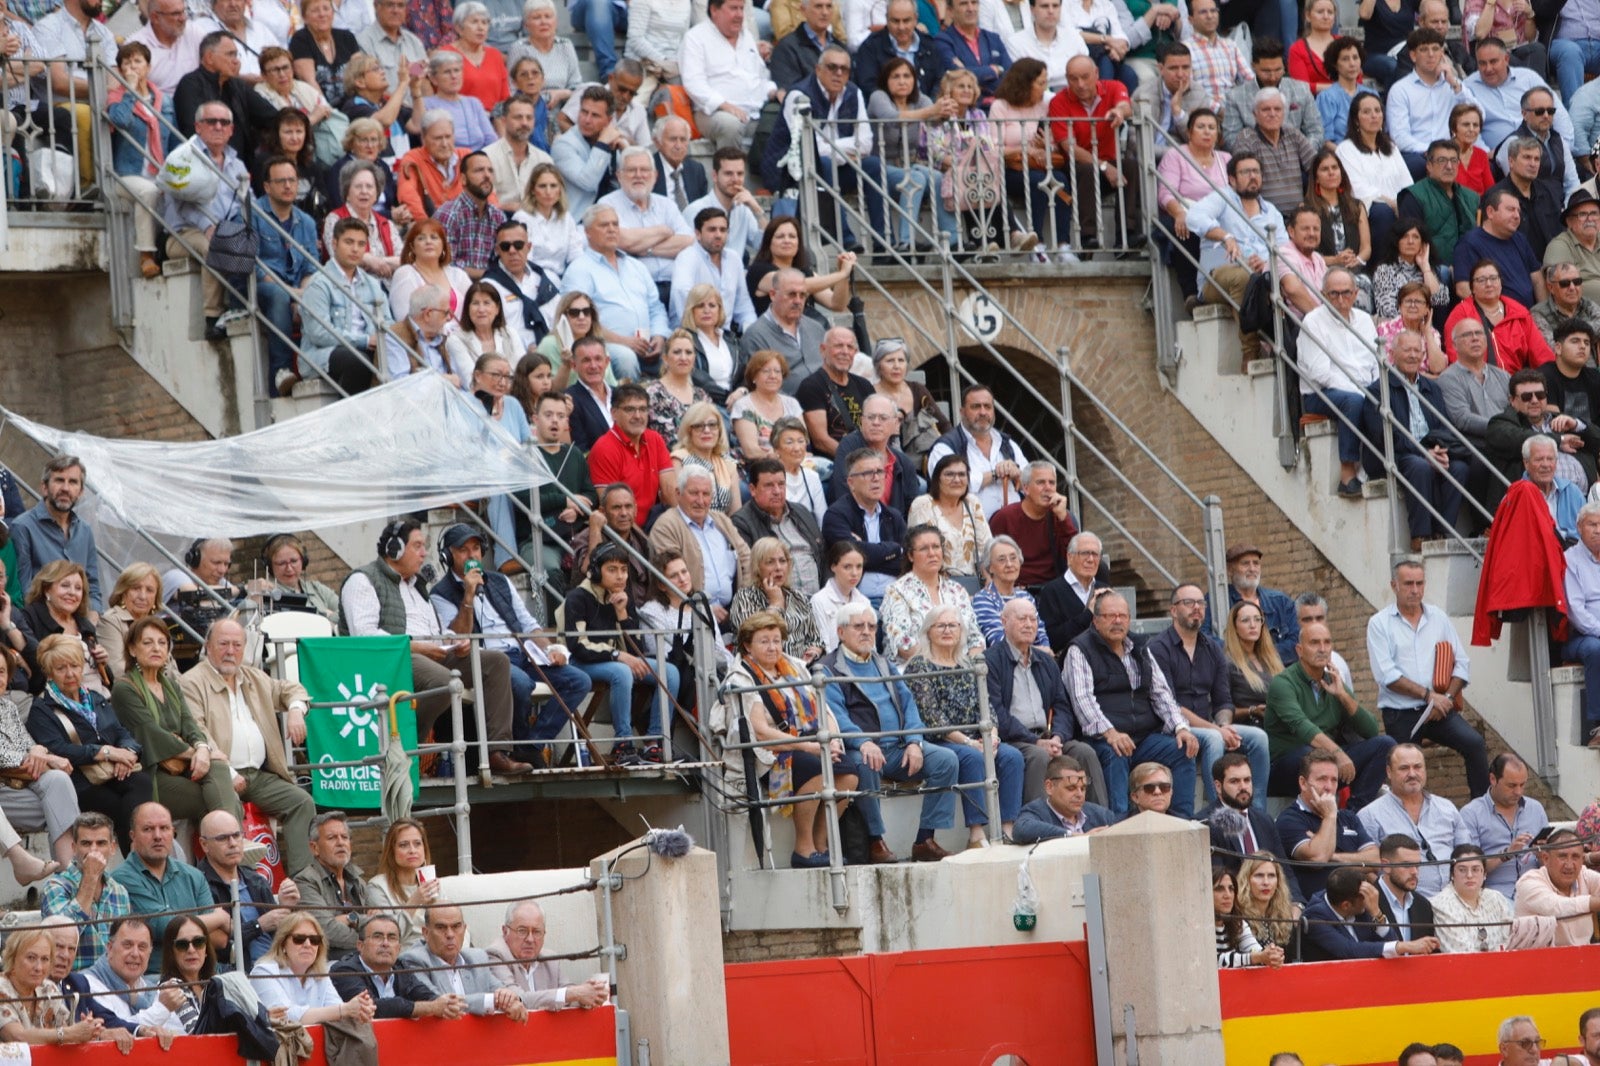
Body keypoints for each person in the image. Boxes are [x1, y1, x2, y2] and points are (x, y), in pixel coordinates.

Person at [339, 519, 531, 777]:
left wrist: (454, 642)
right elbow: (365, 636)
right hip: (393, 659)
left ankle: (497, 753)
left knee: (495, 662)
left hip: (429, 657)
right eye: (417, 546)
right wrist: (417, 647)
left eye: (425, 546)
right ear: (395, 549)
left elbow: (438, 635)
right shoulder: (363, 580)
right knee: (443, 680)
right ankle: (407, 744)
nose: (424, 553)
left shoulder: (418, 587)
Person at [819, 601, 962, 862]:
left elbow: (909, 705)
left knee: (946, 760)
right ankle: (876, 841)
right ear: (840, 632)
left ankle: (924, 840)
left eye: (871, 626)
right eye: (858, 626)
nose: (866, 632)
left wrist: (914, 742)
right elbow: (835, 715)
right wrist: (863, 742)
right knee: (864, 764)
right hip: (860, 749)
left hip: (897, 749)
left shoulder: (883, 663)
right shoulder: (828, 668)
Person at [431, 524, 591, 750]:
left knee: (579, 681)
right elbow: (457, 639)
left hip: (523, 654)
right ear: (448, 556)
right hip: (488, 661)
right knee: (522, 685)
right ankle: (520, 748)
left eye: (476, 548)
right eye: (463, 550)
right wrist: (468, 595)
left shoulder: (499, 581)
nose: (472, 555)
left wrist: (550, 649)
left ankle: (531, 745)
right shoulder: (440, 593)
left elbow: (527, 624)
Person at [176, 618, 316, 875]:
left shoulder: (252, 676)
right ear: (207, 646)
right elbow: (195, 731)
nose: (231, 651)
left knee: (301, 802)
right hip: (217, 775)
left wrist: (296, 710)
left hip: (259, 775)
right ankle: (237, 882)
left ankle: (303, 879)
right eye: (223, 644)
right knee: (230, 816)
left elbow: (290, 689)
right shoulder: (191, 682)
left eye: (237, 645)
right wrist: (228, 772)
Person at [723, 611, 860, 866]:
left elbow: (823, 708)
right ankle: (803, 849)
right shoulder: (741, 677)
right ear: (747, 646)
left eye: (776, 640)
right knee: (818, 770)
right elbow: (760, 731)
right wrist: (808, 746)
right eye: (764, 641)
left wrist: (831, 740)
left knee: (849, 775)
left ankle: (822, 845)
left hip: (809, 741)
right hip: (771, 752)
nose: (773, 647)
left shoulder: (793, 665)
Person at [1065, 590, 1199, 818]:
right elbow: (1082, 700)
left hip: (1144, 737)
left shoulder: (1139, 647)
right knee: (1115, 753)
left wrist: (1181, 727)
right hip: (1102, 738)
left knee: (1183, 749)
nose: (1117, 621)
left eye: (1123, 616)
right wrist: (1111, 733)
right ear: (1096, 621)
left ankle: (1182, 821)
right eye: (1109, 616)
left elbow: (1161, 693)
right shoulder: (1079, 650)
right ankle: (1119, 825)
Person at [1367, 558, 1487, 799]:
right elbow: (1386, 675)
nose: (1415, 590)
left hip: (1439, 709)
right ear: (1394, 586)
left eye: (1419, 583)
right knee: (1403, 770)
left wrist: (1447, 698)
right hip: (1400, 712)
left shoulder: (1439, 618)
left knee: (1474, 743)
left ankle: (1481, 812)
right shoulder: (1379, 623)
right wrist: (1428, 695)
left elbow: (1462, 663)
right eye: (1408, 583)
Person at [1150, 583, 1271, 808]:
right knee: (1214, 738)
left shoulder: (1213, 648)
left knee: (1258, 738)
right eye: (1189, 603)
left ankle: (1257, 811)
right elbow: (1170, 704)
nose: (1196, 608)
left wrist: (1224, 724)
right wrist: (1217, 730)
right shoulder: (1159, 648)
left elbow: (1223, 699)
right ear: (1173, 610)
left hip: (1208, 724)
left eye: (1200, 603)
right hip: (1172, 728)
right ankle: (1220, 810)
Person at [564, 543, 681, 764]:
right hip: (581, 662)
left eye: (624, 570)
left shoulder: (622, 596)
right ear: (596, 570)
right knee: (622, 672)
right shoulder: (577, 597)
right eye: (612, 569)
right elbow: (577, 644)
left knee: (670, 672)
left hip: (614, 660)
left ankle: (654, 742)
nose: (620, 576)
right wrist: (618, 656)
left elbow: (635, 647)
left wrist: (622, 614)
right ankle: (623, 744)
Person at [1265, 621, 1395, 809]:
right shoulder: (1283, 683)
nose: (1322, 649)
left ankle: (1353, 814)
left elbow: (1371, 730)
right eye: (1315, 643)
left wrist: (1342, 695)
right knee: (1309, 755)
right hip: (1286, 769)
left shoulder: (1332, 680)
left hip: (1326, 764)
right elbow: (1303, 727)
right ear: (1299, 650)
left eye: (1327, 643)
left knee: (1385, 744)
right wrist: (1337, 754)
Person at [1186, 153, 1285, 367]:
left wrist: (1266, 262)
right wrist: (1225, 236)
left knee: (1275, 278)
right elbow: (1193, 217)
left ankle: (1285, 348)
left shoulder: (1272, 212)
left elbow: (1284, 250)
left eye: (1256, 172)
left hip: (1259, 277)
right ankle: (1250, 352)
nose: (1252, 176)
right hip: (1217, 279)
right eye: (1245, 172)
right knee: (1243, 277)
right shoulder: (1223, 198)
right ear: (1232, 179)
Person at [108, 803, 230, 969]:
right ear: (132, 836)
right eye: (148, 829)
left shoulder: (193, 876)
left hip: (203, 975)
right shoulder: (121, 879)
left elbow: (219, 938)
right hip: (155, 979)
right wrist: (219, 918)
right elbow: (164, 927)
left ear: (173, 832)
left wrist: (195, 926)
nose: (157, 836)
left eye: (164, 828)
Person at [1297, 267, 1381, 497]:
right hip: (1320, 393)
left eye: (1346, 293)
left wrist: (1374, 390)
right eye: (1334, 294)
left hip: (1362, 388)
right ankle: (1347, 473)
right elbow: (1320, 373)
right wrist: (1363, 392)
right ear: (1324, 295)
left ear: (1355, 294)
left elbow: (1376, 362)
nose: (1341, 299)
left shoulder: (1364, 320)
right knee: (1354, 402)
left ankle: (1378, 467)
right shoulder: (1313, 322)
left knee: (1387, 399)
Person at [1356, 745, 1471, 896]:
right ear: (1389, 772)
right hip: (1407, 906)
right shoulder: (1370, 815)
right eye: (1404, 768)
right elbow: (1368, 870)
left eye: (1417, 767)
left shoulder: (1447, 808)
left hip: (1455, 900)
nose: (1412, 774)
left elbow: (1468, 855)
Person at [195, 808, 296, 970]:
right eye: (223, 838)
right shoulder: (199, 884)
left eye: (236, 835)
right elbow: (221, 947)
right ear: (204, 845)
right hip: (237, 975)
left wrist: (286, 908)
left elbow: (281, 936)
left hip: (278, 969)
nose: (233, 843)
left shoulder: (256, 880)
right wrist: (258, 926)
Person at [299, 218, 391, 394]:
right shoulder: (319, 283)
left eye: (361, 244)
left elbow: (388, 322)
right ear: (334, 244)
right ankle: (351, 419)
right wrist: (364, 341)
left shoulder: (372, 283)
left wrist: (379, 340)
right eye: (349, 242)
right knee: (358, 360)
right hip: (324, 355)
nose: (355, 249)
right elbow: (320, 334)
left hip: (368, 350)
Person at [1485, 369, 1597, 514]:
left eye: (1540, 395)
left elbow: (1597, 439)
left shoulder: (1563, 421)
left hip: (1583, 501)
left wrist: (1577, 424)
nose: (1534, 400)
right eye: (1526, 396)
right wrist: (1559, 440)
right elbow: (1513, 437)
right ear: (1512, 400)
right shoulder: (1501, 423)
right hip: (1534, 506)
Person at [398, 902, 528, 1019]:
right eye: (441, 927)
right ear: (426, 933)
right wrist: (491, 1001)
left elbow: (500, 991)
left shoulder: (477, 958)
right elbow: (441, 1003)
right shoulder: (412, 960)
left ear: (464, 930)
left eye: (456, 927)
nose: (450, 934)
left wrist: (509, 999)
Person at [681, 0, 780, 150]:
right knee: (731, 125)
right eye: (734, 8)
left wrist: (773, 91)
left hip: (754, 112)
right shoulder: (695, 38)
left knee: (786, 117)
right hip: (714, 114)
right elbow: (694, 83)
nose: (740, 15)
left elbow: (760, 77)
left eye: (742, 8)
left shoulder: (747, 37)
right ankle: (730, 172)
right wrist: (725, 105)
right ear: (714, 10)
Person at [330, 913, 465, 1019]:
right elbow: (373, 1008)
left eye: (392, 938)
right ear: (360, 945)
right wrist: (432, 1008)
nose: (385, 943)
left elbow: (425, 994)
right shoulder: (343, 971)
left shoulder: (401, 967)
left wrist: (444, 1004)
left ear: (399, 948)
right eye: (377, 937)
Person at [41, 812, 130, 971]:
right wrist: (90, 878)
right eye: (86, 843)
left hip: (112, 980)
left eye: (101, 843)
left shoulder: (119, 891)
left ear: (112, 848)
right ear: (74, 848)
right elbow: (62, 935)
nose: (93, 850)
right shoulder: (55, 886)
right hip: (74, 979)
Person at [250, 914, 376, 1024]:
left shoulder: (320, 975)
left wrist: (361, 1008)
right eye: (299, 939)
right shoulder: (264, 971)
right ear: (283, 944)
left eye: (314, 940)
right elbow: (285, 1017)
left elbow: (337, 1012)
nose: (307, 945)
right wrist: (344, 1010)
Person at [822, 449, 909, 603]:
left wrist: (863, 549)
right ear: (851, 483)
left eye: (880, 472)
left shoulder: (893, 516)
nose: (876, 478)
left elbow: (906, 561)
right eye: (867, 473)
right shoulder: (836, 515)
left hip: (896, 600)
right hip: (852, 601)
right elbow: (847, 561)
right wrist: (894, 549)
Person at [927, 386, 1028, 520]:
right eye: (975, 407)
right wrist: (995, 474)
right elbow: (949, 485)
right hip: (967, 530)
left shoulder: (1007, 443)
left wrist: (1017, 474)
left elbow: (1031, 483)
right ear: (962, 412)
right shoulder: (945, 446)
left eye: (987, 406)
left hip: (1013, 527)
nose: (982, 412)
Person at [487, 900, 610, 1010]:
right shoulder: (495, 955)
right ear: (505, 931)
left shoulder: (550, 959)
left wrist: (590, 994)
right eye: (522, 931)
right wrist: (574, 993)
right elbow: (516, 999)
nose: (530, 939)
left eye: (536, 932)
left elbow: (568, 993)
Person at [1301, 865, 1440, 961]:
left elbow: (1390, 942)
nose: (1370, 901)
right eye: (1365, 900)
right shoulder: (1315, 916)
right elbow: (1348, 950)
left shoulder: (1363, 906)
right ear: (1346, 905)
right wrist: (1404, 946)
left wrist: (1377, 913)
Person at [9, 473, 100, 620]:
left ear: (81, 491)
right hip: (39, 621)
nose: (65, 488)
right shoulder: (23, 526)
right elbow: (24, 590)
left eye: (73, 482)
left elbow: (93, 585)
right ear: (44, 487)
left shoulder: (85, 530)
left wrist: (91, 621)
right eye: (59, 480)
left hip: (79, 620)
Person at [1459, 754, 1546, 901]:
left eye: (1522, 785)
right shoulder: (1471, 813)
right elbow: (1469, 868)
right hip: (1494, 895)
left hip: (1536, 890)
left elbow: (1547, 864)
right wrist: (1506, 854)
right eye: (1511, 786)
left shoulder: (1535, 809)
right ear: (1493, 779)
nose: (1518, 792)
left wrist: (1543, 855)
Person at [1385, 29, 1473, 175]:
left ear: (1442, 53)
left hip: (1451, 152)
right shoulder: (1400, 90)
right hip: (1417, 153)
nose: (1431, 54)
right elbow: (1400, 137)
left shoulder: (1452, 85)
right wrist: (1434, 152)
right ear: (1413, 55)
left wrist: (1455, 84)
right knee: (1420, 165)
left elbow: (1478, 115)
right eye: (1424, 50)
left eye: (1435, 49)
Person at [734, 459, 825, 598]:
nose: (777, 491)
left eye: (781, 484)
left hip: (818, 600)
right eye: (769, 485)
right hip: (778, 603)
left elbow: (822, 554)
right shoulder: (742, 523)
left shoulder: (801, 512)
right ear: (752, 489)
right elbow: (752, 573)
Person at [0, 926, 103, 1047]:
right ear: (12, 957)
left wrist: (89, 1030)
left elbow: (67, 1031)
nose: (39, 967)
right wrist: (69, 1034)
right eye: (31, 958)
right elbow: (16, 1036)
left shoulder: (48, 988)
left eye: (45, 959)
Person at [292, 812, 375, 962]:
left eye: (344, 837)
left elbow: (378, 922)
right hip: (328, 965)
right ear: (314, 848)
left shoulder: (358, 881)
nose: (340, 843)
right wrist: (370, 942)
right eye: (332, 838)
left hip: (365, 960)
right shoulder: (305, 881)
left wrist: (351, 919)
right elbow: (326, 931)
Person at [1453, 188, 1547, 310]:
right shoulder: (1469, 243)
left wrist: (1542, 314)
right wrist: (1493, 315)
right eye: (1510, 210)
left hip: (1529, 317)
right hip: (1497, 320)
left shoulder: (1520, 239)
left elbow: (1537, 280)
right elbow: (1463, 289)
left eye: (1518, 211)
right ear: (1491, 212)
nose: (1517, 216)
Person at [987, 461, 1076, 590]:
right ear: (1026, 488)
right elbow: (989, 559)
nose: (1048, 488)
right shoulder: (1005, 517)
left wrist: (1063, 519)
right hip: (1017, 590)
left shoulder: (1061, 515)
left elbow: (1076, 556)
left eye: (1052, 483)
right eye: (1040, 482)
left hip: (1054, 589)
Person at [1397, 143, 1479, 279]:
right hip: (1430, 269)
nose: (1449, 166)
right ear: (1429, 165)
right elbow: (1411, 243)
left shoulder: (1471, 197)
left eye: (1454, 161)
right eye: (1442, 160)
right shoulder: (1414, 196)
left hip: (1469, 267)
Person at [1221, 38, 1322, 148]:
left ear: (1285, 66)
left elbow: (1316, 131)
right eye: (1266, 71)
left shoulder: (1301, 89)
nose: (1273, 77)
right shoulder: (1235, 96)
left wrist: (1302, 153)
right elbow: (1231, 139)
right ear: (1253, 66)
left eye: (1278, 70)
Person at [798, 327, 875, 460]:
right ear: (823, 350)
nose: (845, 352)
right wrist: (857, 461)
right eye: (838, 346)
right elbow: (821, 441)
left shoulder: (864, 385)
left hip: (870, 458)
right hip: (835, 464)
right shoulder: (811, 386)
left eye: (850, 347)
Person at [1514, 828, 1600, 946]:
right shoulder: (1528, 882)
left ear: (1582, 859)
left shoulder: (1584, 875)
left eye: (1575, 857)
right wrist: (1593, 902)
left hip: (1582, 959)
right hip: (1536, 960)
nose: (1569, 865)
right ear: (1546, 858)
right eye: (1563, 856)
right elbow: (1556, 907)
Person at [1490, 136, 1567, 257]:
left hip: (1552, 262)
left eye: (1537, 159)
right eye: (1527, 157)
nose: (1533, 164)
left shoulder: (1549, 192)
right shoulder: (1495, 196)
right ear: (1511, 161)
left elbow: (1560, 232)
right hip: (1515, 264)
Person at [1430, 843, 1515, 952]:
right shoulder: (1442, 904)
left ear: (1484, 874)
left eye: (1475, 869)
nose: (1469, 875)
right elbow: (1461, 953)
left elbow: (1513, 940)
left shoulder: (1496, 898)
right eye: (1462, 870)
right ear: (1452, 874)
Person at [1012, 754, 1114, 841]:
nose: (1079, 795)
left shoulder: (1101, 815)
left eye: (1083, 788)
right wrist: (1075, 836)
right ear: (1049, 787)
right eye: (1071, 788)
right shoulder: (1036, 811)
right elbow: (1021, 830)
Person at [972, 536, 1046, 648]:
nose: (1009, 564)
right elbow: (998, 641)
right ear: (990, 567)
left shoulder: (1026, 597)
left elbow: (1040, 635)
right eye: (1002, 559)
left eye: (1013, 558)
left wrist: (1044, 651)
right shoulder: (983, 599)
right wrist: (1040, 652)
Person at [671, 401, 743, 514]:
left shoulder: (728, 463)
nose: (707, 431)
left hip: (723, 528)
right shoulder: (679, 459)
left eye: (712, 425)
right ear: (689, 431)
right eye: (699, 426)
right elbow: (677, 508)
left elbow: (736, 513)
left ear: (719, 430)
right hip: (688, 527)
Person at [1184, 0, 1251, 112]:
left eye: (1213, 11)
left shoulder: (1230, 45)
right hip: (1203, 113)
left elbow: (1249, 80)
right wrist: (1218, 109)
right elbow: (1188, 91)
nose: (1210, 16)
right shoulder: (1185, 49)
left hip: (1235, 110)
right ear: (1190, 19)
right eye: (1203, 12)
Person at [1236, 852, 1302, 962]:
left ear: (1278, 881)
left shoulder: (1284, 916)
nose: (1266, 882)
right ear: (1246, 880)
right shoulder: (1237, 915)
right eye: (1259, 875)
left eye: (1271, 876)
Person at [1214, 865, 1285, 968]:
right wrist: (1256, 957)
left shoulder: (1238, 922)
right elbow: (1213, 961)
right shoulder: (1196, 926)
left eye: (1231, 889)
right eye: (1219, 889)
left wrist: (1271, 955)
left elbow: (1254, 949)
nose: (1228, 895)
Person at [812, 541, 871, 653]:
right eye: (847, 567)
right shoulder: (819, 601)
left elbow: (870, 646)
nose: (855, 573)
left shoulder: (864, 602)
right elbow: (824, 645)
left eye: (859, 567)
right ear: (833, 566)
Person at [1546, 190, 1600, 309]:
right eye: (1582, 214)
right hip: (1583, 316)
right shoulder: (1560, 246)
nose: (1590, 219)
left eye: (1594, 213)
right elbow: (1559, 288)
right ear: (1569, 222)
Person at [1315, 37, 1374, 143]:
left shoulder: (1371, 94)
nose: (1352, 64)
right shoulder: (1327, 97)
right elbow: (1325, 141)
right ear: (1335, 65)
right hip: (1339, 154)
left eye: (1355, 58)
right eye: (1345, 59)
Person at [1534, 264, 1600, 349]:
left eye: (1577, 282)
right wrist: (1592, 335)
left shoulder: (1587, 304)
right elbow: (1553, 348)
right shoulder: (1539, 313)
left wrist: (1567, 337)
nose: (1572, 287)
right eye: (1564, 283)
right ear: (1550, 288)